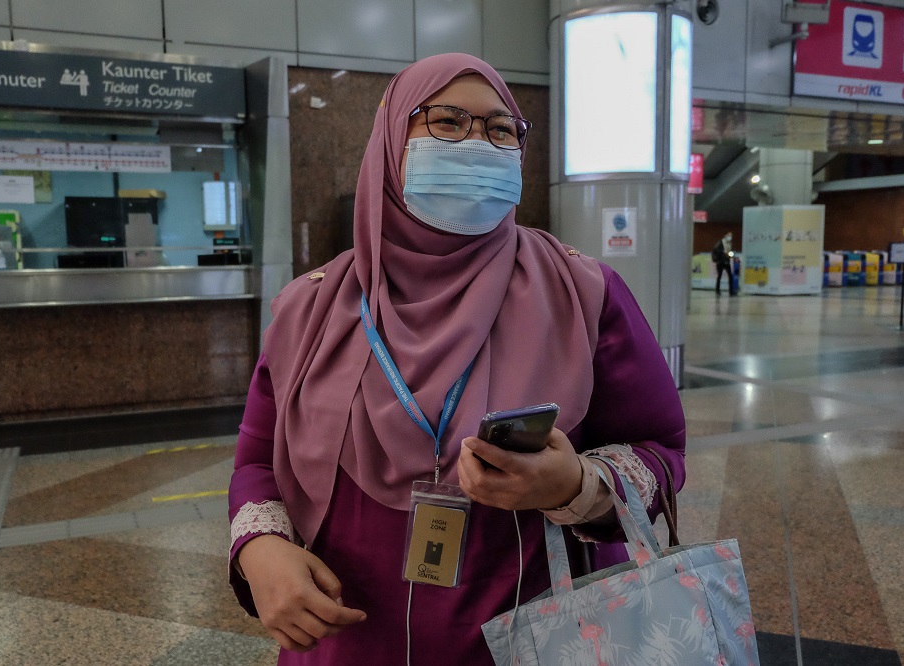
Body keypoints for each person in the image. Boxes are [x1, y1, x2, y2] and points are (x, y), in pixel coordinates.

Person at [227, 53, 686, 666]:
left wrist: (577, 485)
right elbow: (259, 458)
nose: (479, 144)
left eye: (501, 130)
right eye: (446, 122)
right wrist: (259, 548)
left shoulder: (583, 294)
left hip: (539, 639)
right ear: (392, 140)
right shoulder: (309, 310)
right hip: (347, 642)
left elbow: (660, 452)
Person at [712, 231, 736, 295]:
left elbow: (730, 252)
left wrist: (730, 255)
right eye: (729, 236)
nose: (730, 237)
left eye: (731, 236)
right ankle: (717, 290)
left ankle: (731, 291)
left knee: (730, 276)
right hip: (720, 261)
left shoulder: (729, 244)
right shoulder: (721, 242)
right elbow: (716, 250)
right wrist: (723, 252)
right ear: (726, 236)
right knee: (719, 276)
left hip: (726, 261)